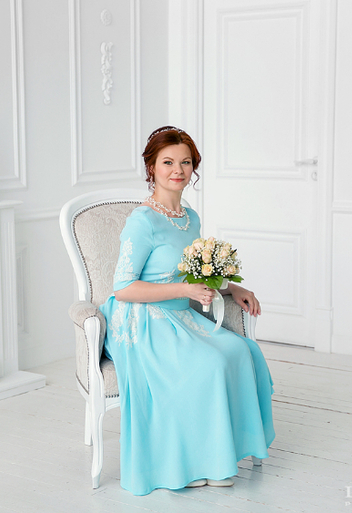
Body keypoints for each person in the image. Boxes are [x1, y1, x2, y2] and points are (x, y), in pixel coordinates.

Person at [98, 126, 276, 495]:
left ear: (193, 167)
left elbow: (191, 272)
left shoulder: (189, 217)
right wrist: (183, 290)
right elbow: (123, 288)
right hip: (141, 318)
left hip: (179, 314)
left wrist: (232, 287)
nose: (177, 170)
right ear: (152, 167)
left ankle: (220, 454)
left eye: (185, 162)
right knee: (206, 364)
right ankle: (189, 462)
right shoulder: (142, 221)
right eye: (168, 162)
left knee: (239, 351)